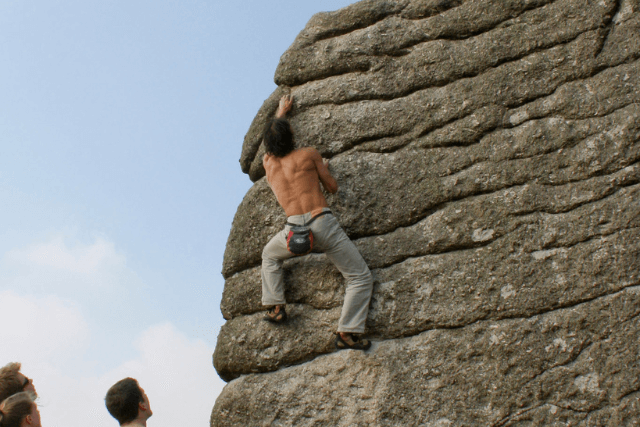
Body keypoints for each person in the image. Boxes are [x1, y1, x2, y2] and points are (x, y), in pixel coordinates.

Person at [261, 94, 374, 350]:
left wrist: (280, 113)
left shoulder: (269, 164)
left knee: (269, 256)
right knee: (359, 278)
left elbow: (271, 144)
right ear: (291, 137)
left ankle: (276, 305)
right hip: (322, 223)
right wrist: (324, 167)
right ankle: (346, 332)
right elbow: (332, 188)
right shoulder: (309, 155)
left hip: (293, 232)